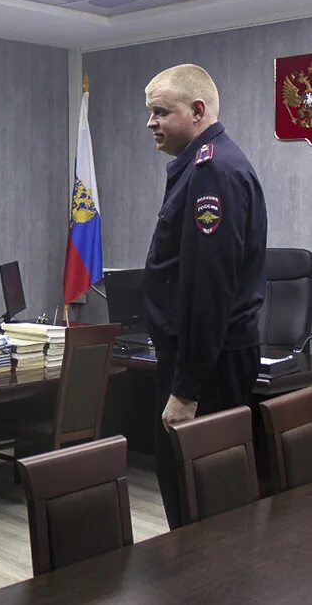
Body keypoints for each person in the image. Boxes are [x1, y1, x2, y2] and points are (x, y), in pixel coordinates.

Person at [142, 64, 267, 529]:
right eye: (149, 112)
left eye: (160, 112)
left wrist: (185, 389)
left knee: (199, 500)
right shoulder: (208, 163)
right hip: (206, 358)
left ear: (197, 111)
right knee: (201, 497)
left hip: (206, 368)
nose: (150, 123)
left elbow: (208, 290)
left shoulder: (212, 172)